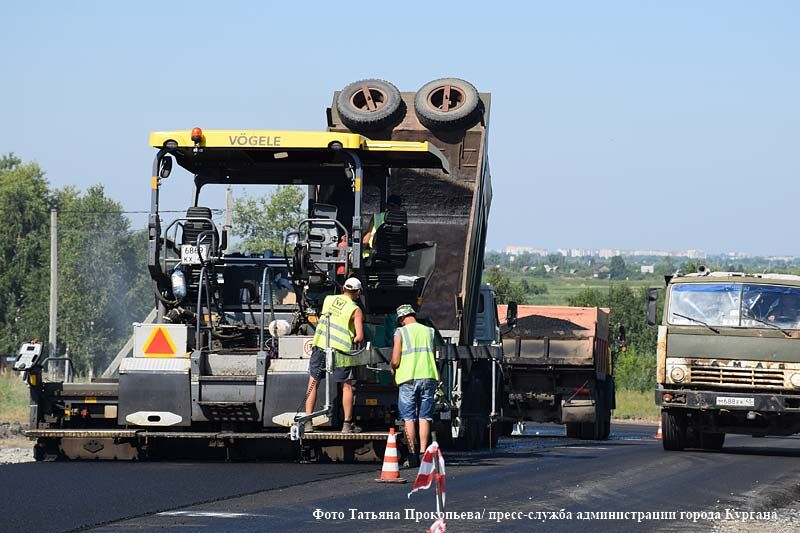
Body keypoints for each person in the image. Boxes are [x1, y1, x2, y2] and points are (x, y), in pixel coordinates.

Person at [305, 277, 365, 433]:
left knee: (313, 383)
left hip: (320, 346)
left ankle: (308, 422)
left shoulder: (328, 299)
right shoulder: (355, 310)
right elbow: (360, 337)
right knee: (347, 386)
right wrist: (353, 339)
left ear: (343, 288)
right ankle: (347, 424)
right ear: (358, 292)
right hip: (341, 351)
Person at [391, 304, 438, 467]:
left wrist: (392, 368)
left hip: (408, 378)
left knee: (409, 418)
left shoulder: (400, 332)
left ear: (401, 319)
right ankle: (424, 453)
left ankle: (412, 456)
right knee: (425, 417)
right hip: (428, 376)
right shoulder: (429, 331)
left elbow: (395, 360)